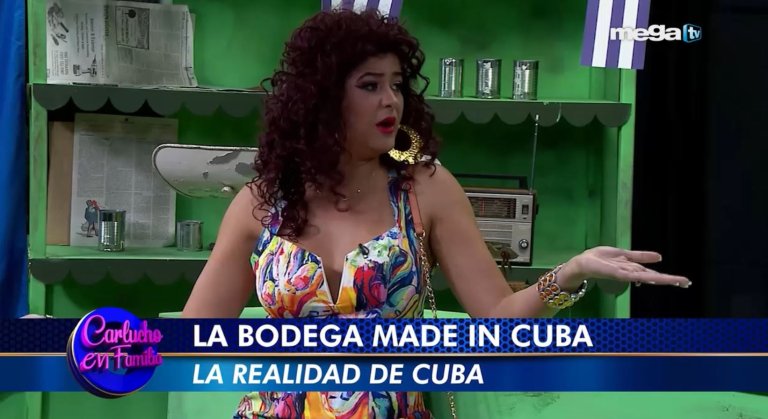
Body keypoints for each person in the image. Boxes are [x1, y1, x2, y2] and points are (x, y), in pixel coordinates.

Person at [181, 9, 691, 419]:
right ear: (320, 99)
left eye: (397, 84)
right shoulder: (261, 202)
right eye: (370, 85)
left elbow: (497, 320)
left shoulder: (424, 189)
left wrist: (572, 271)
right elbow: (194, 341)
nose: (391, 101)